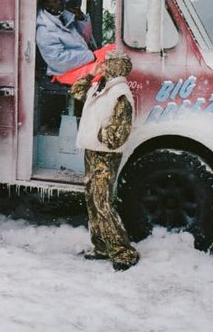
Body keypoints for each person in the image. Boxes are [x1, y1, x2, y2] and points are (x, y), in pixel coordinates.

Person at [70, 51, 140, 271]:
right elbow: (76, 91)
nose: (103, 65)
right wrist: (91, 74)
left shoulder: (119, 92)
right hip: (92, 151)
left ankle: (123, 252)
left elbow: (120, 130)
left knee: (102, 201)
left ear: (115, 66)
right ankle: (101, 245)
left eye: (107, 63)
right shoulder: (102, 86)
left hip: (104, 154)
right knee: (93, 199)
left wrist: (101, 137)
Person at [36, 0, 95, 78]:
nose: (59, 2)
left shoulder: (65, 18)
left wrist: (81, 19)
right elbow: (59, 62)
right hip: (63, 74)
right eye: (55, 1)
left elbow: (84, 38)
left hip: (82, 63)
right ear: (46, 6)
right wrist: (90, 55)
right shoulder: (45, 31)